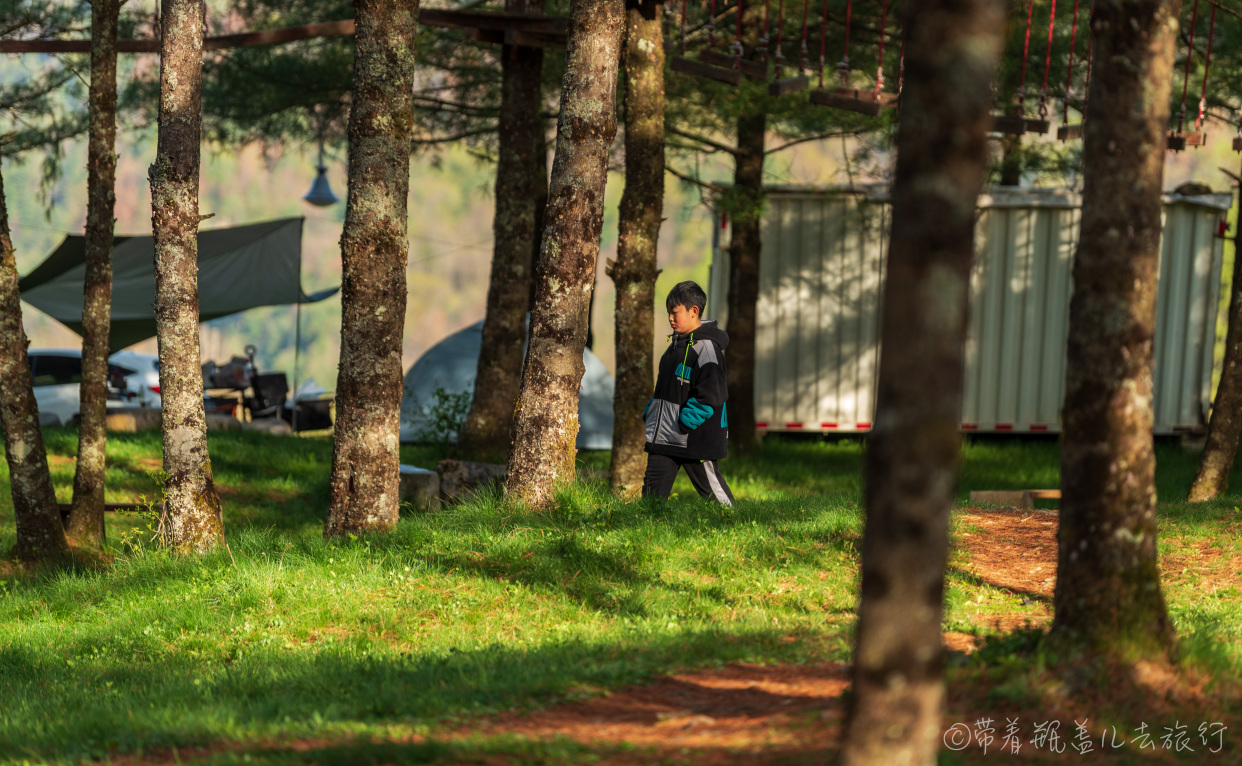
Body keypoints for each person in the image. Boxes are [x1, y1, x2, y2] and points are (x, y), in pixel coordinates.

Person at [642, 280, 734, 505]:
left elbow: (712, 395)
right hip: (664, 438)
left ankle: (734, 521)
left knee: (716, 498)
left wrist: (685, 422)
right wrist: (653, 410)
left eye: (675, 313)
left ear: (694, 311)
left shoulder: (707, 350)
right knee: (650, 502)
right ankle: (648, 524)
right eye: (669, 313)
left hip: (694, 439)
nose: (670, 318)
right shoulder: (674, 347)